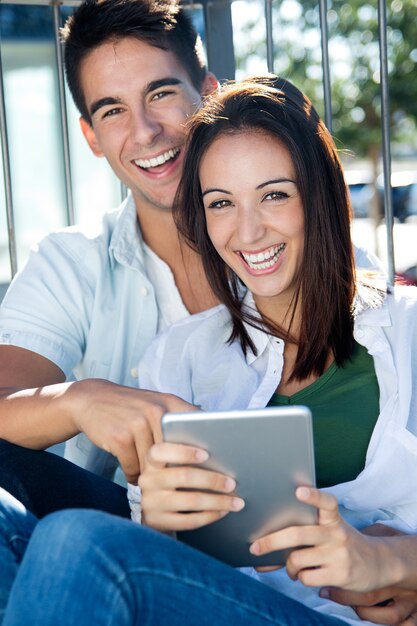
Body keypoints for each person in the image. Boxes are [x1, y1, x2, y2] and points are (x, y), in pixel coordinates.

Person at [2, 77, 417, 626]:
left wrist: (385, 560)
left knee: (76, 540)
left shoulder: (407, 332)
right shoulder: (180, 356)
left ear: (319, 194)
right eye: (221, 203)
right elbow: (164, 566)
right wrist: (160, 525)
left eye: (274, 194)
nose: (247, 231)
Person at [0, 0, 219, 518]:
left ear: (211, 96)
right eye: (113, 110)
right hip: (120, 529)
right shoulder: (69, 262)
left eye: (161, 93)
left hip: (288, 536)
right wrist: (80, 399)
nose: (144, 131)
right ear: (91, 137)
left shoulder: (290, 241)